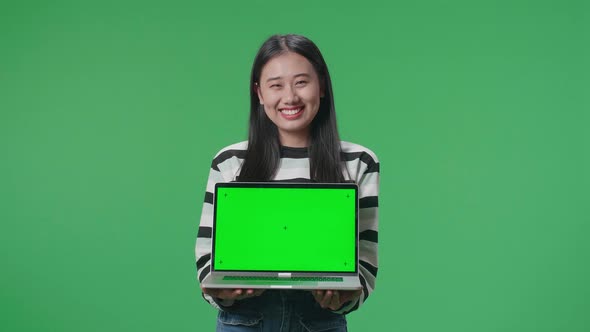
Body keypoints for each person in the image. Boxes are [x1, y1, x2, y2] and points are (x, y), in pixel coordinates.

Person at [195, 34, 379, 332]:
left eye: (302, 82)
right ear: (259, 93)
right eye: (276, 85)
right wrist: (222, 291)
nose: (290, 97)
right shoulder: (229, 160)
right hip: (244, 321)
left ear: (321, 86)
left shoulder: (359, 161)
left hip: (320, 322)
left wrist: (342, 298)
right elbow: (207, 257)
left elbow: (365, 263)